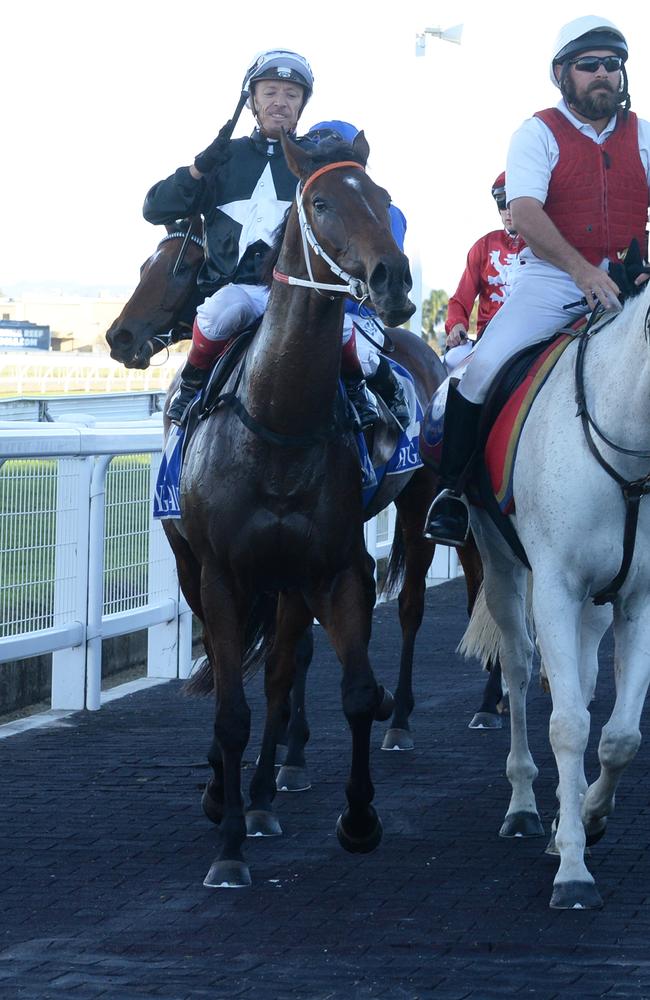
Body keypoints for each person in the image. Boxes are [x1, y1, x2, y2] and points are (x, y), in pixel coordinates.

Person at [424, 15, 650, 546]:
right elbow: (524, 213)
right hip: (552, 282)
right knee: (479, 372)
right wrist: (582, 271)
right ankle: (453, 493)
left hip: (629, 286)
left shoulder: (643, 135)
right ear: (561, 74)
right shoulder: (537, 132)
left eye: (612, 66)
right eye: (589, 65)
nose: (603, 74)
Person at [143, 49, 317, 424]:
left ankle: (365, 399)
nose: (280, 103)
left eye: (291, 94)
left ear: (303, 103)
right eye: (270, 92)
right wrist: (197, 169)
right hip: (236, 291)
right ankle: (191, 384)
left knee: (349, 333)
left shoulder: (315, 165)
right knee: (222, 310)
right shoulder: (223, 159)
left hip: (298, 297)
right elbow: (155, 208)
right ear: (252, 101)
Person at [306, 119, 410, 429]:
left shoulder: (389, 214)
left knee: (358, 352)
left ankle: (391, 397)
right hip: (309, 313)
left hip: (357, 315)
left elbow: (383, 277)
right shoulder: (307, 210)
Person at [443, 173, 526, 372]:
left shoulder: (545, 243)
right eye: (502, 205)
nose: (508, 212)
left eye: (512, 204)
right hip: (488, 339)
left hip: (532, 336)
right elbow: (460, 299)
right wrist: (456, 325)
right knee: (452, 358)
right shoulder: (483, 246)